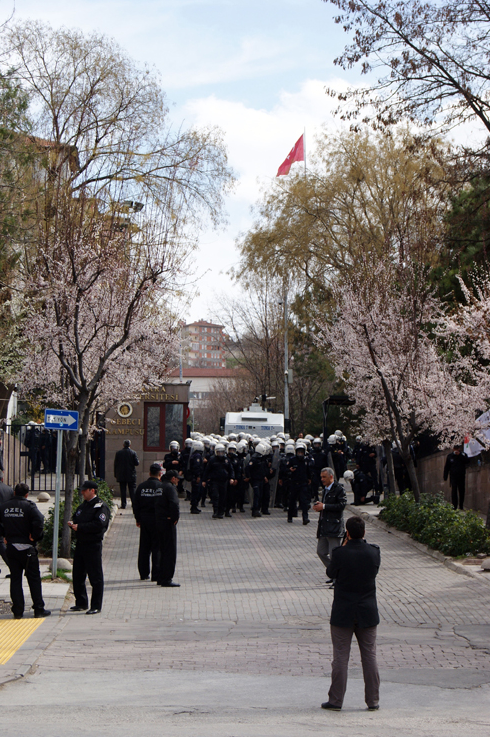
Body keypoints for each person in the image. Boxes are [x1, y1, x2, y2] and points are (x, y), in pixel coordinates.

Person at [321, 515, 381, 712]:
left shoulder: (340, 553)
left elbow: (331, 573)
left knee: (340, 656)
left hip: (343, 612)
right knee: (369, 656)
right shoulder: (374, 552)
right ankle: (372, 700)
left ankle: (336, 700)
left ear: (346, 533)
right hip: (367, 611)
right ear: (364, 532)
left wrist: (345, 545)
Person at [0, 482, 50, 619]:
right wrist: (35, 536)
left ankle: (17, 611)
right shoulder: (29, 506)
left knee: (15, 580)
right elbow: (40, 520)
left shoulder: (4, 507)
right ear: (27, 495)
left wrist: (4, 535)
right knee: (33, 579)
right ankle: (38, 609)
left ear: (14, 492)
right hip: (28, 549)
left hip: (11, 548)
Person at [69, 480, 110, 614]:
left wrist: (81, 527)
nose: (82, 492)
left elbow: (99, 524)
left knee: (95, 576)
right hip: (81, 544)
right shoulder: (83, 506)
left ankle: (96, 605)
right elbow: (77, 517)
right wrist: (73, 523)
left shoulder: (100, 506)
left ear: (92, 490)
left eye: (84, 490)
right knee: (78, 575)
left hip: (93, 545)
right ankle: (81, 602)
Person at [313, 468, 347, 585]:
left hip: (334, 527)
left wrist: (325, 506)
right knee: (321, 552)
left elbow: (341, 505)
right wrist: (320, 507)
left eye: (324, 477)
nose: (322, 479)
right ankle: (334, 573)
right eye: (321, 477)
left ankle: (338, 579)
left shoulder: (339, 489)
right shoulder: (325, 490)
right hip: (324, 526)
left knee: (334, 555)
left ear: (331, 477)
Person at [133, 463, 163, 581]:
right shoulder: (161, 487)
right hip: (157, 520)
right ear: (160, 474)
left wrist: (138, 519)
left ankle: (144, 573)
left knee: (144, 548)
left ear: (149, 473)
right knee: (157, 548)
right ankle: (156, 574)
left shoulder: (141, 487)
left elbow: (136, 504)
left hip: (144, 520)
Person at [155, 469, 180, 587]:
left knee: (161, 550)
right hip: (167, 521)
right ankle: (167, 578)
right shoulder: (170, 488)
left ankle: (160, 577)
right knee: (170, 551)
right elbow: (174, 504)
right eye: (177, 479)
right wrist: (175, 518)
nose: (178, 482)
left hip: (158, 521)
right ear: (173, 478)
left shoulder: (159, 487)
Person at [287, 443, 312, 525]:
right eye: (299, 452)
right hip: (294, 483)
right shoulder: (292, 460)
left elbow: (309, 470)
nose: (300, 454)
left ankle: (305, 518)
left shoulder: (306, 460)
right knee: (292, 501)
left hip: (303, 483)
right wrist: (290, 470)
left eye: (302, 452)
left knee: (304, 501)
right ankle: (290, 516)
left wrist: (309, 478)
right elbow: (285, 469)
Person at [113, 439, 140, 509]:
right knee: (132, 490)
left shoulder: (118, 453)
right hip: (131, 474)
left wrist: (116, 474)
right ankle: (134, 504)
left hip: (121, 474)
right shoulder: (133, 453)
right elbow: (137, 463)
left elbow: (115, 464)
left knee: (123, 490)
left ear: (123, 445)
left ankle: (123, 504)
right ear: (130, 445)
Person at [443, 444, 470, 510]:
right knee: (454, 491)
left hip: (461, 476)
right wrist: (445, 476)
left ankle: (461, 506)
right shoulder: (450, 456)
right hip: (453, 476)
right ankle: (454, 506)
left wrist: (460, 455)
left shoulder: (463, 455)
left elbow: (467, 461)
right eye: (455, 448)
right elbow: (447, 467)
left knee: (461, 491)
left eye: (457, 448)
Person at [0, 471, 14, 573]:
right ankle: (12, 567)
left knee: (1, 545)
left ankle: (12, 566)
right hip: (5, 519)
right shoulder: (9, 489)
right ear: (2, 479)